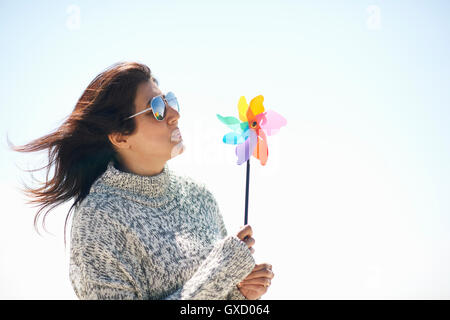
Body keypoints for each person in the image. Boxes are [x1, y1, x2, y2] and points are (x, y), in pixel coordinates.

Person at [8, 61, 274, 300]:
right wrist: (221, 270)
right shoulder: (98, 219)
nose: (174, 114)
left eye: (169, 101)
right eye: (156, 109)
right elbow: (215, 276)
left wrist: (240, 296)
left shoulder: (200, 196)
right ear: (119, 137)